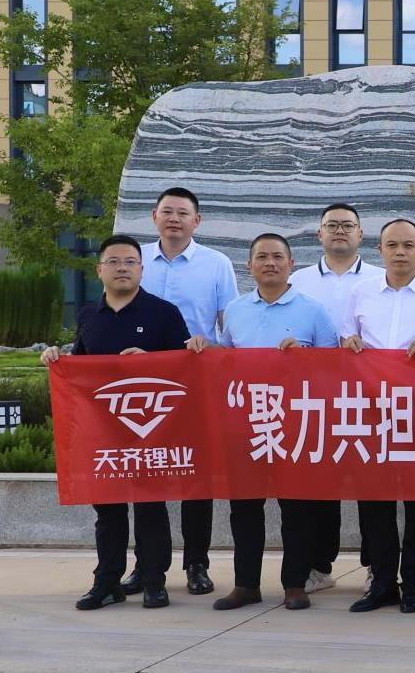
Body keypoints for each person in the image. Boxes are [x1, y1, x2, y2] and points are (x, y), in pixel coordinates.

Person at [43, 235, 191, 611]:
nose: (122, 268)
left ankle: (154, 581)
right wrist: (58, 358)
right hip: (103, 432)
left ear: (141, 269)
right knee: (107, 511)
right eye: (113, 261)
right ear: (99, 270)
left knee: (150, 508)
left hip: (150, 428)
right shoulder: (88, 315)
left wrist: (150, 361)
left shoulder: (164, 313)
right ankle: (107, 582)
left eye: (129, 262)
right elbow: (80, 369)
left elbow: (187, 367)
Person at [207, 233, 340, 612]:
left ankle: (294, 584)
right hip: (246, 424)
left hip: (294, 425)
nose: (270, 263)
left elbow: (335, 368)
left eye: (278, 257)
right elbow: (225, 362)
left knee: (297, 508)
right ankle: (246, 584)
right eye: (262, 257)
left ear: (291, 264)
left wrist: (305, 357)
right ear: (249, 266)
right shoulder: (235, 310)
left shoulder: (313, 310)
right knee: (244, 509)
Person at [340, 218, 415, 615]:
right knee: (374, 504)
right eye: (392, 245)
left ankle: (413, 584)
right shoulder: (360, 293)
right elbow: (346, 340)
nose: (400, 252)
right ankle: (381, 583)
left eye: (409, 245)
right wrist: (348, 342)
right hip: (371, 412)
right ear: (380, 249)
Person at [134, 186, 238, 598]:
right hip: (141, 385)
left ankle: (197, 563)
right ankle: (147, 564)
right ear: (154, 216)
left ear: (197, 220)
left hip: (195, 382)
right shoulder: (135, 259)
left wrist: (212, 348)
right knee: (146, 476)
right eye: (167, 211)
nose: (174, 219)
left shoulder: (216, 264)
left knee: (197, 477)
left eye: (182, 213)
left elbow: (229, 325)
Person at [286, 202, 385, 594]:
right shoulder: (299, 281)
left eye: (348, 225)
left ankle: (376, 565)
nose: (340, 230)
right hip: (315, 397)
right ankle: (318, 565)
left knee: (371, 485)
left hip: (370, 396)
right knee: (320, 485)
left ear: (361, 234)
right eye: (332, 225)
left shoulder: (380, 278)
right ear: (320, 234)